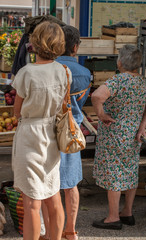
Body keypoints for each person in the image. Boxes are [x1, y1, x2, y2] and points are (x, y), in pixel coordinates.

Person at [12, 21, 72, 240]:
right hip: (52, 134)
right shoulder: (64, 71)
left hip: (30, 135)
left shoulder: (26, 73)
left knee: (31, 201)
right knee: (53, 195)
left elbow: (17, 111)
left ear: (34, 43)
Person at [91, 45, 146, 230]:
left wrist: (101, 114)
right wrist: (142, 127)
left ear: (120, 62)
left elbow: (96, 96)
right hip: (134, 136)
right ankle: (127, 212)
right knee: (129, 171)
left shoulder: (117, 81)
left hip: (114, 134)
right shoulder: (143, 82)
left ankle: (113, 217)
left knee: (114, 174)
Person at [41, 25, 91, 240]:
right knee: (70, 185)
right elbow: (80, 103)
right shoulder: (85, 74)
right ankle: (70, 231)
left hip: (47, 131)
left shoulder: (46, 69)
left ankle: (51, 231)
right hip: (71, 133)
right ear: (75, 47)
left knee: (47, 185)